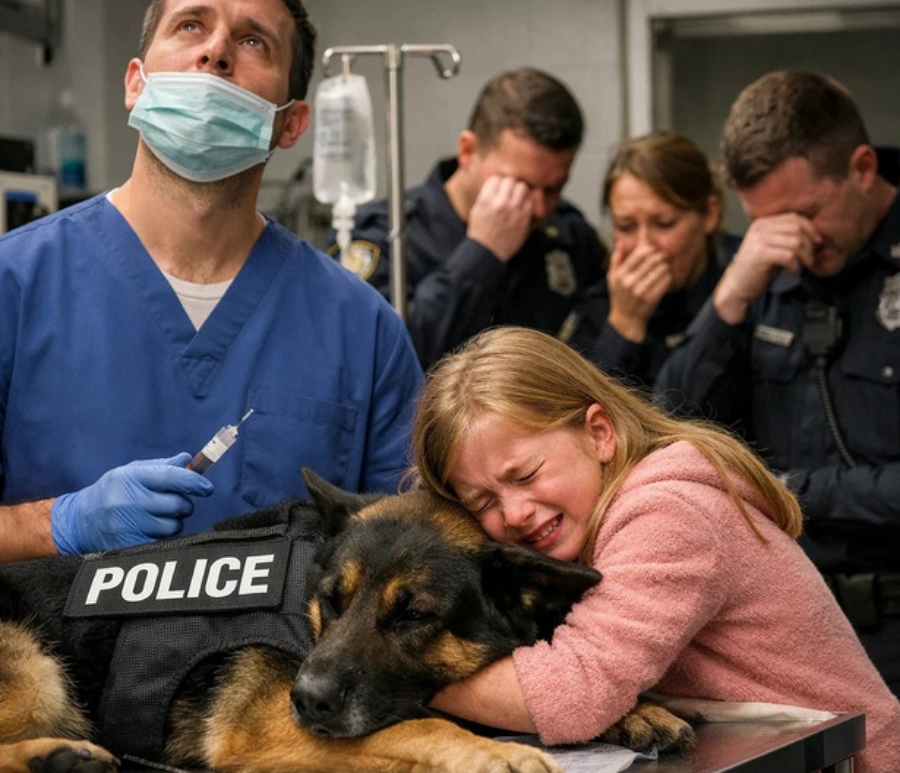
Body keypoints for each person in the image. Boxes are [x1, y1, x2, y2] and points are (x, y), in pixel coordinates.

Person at [0, 0, 423, 563]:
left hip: (276, 662)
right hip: (46, 660)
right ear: (135, 83)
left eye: (254, 42)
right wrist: (57, 525)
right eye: (191, 25)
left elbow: (409, 554)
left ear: (290, 124)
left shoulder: (361, 331)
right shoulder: (15, 284)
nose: (215, 52)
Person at [411, 326, 900, 773]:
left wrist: (385, 675)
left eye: (526, 475)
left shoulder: (668, 511)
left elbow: (574, 694)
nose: (514, 512)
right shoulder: (583, 524)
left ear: (599, 433)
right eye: (483, 502)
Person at [654, 71, 900, 696]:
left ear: (862, 167)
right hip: (795, 633)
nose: (794, 238)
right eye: (766, 222)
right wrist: (733, 291)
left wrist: (791, 490)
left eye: (805, 213)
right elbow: (672, 423)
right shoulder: (767, 272)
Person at [339, 67, 607, 368]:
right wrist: (481, 253)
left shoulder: (569, 236)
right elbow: (380, 362)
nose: (539, 208)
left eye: (553, 189)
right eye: (521, 185)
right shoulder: (387, 235)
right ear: (468, 151)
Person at [566, 132, 739, 388]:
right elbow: (584, 414)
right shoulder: (600, 306)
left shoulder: (745, 280)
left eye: (664, 224)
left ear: (710, 215)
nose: (644, 246)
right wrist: (624, 324)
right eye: (626, 227)